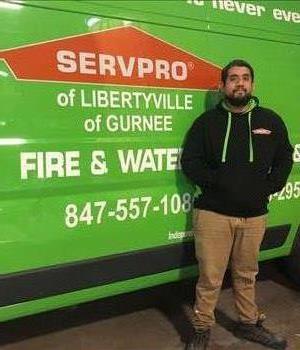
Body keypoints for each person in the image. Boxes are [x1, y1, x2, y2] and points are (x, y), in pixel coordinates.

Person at [181, 59, 293, 350]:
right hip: (213, 215)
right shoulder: (206, 124)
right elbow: (189, 161)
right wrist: (219, 182)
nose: (239, 83)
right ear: (222, 86)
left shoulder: (270, 121)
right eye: (233, 78)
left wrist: (270, 186)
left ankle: (247, 323)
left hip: (254, 216)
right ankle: (202, 328)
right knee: (210, 278)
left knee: (246, 275)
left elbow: (285, 157)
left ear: (252, 85)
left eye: (245, 78)